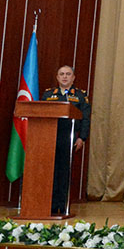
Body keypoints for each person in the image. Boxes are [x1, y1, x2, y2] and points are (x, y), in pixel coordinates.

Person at [40, 65, 91, 215]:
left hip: (69, 137)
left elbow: (86, 119)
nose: (64, 77)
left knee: (63, 172)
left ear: (73, 77)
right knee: (50, 171)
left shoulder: (80, 96)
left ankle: (61, 205)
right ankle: (49, 204)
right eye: (61, 74)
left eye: (68, 74)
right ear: (57, 77)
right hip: (50, 137)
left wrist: (82, 137)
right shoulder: (49, 94)